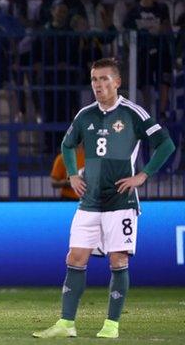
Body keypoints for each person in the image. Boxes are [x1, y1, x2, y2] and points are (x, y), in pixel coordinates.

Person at [32, 58, 175, 339]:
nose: (98, 85)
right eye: (95, 79)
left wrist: (143, 176)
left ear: (117, 82)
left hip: (120, 200)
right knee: (75, 256)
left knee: (118, 260)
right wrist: (72, 174)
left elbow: (165, 144)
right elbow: (67, 144)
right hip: (90, 201)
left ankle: (111, 325)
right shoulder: (85, 115)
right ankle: (66, 323)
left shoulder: (133, 113)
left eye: (104, 79)